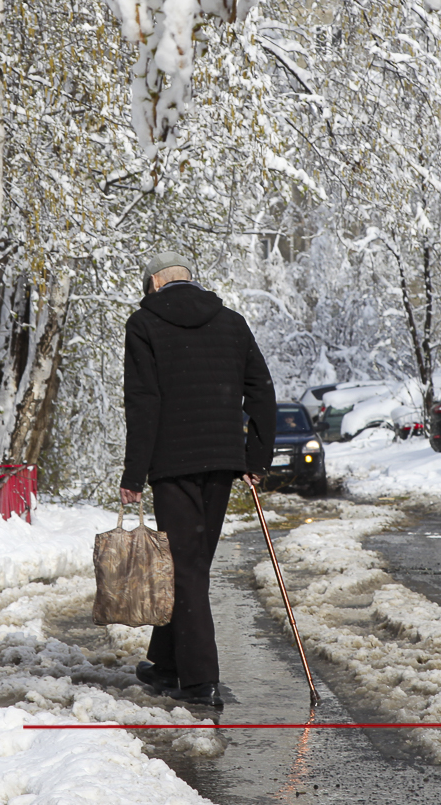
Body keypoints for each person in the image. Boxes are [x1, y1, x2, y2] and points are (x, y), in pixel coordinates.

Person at [120, 251, 276, 710]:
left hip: (173, 463)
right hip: (222, 462)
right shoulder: (230, 321)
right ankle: (166, 664)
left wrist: (134, 472)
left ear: (153, 284)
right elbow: (261, 391)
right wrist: (256, 458)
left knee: (185, 569)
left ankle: (199, 680)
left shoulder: (143, 325)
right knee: (189, 566)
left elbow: (143, 402)